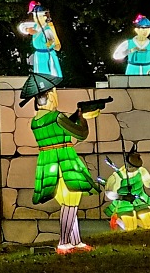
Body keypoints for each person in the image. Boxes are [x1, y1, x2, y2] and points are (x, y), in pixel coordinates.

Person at [24, 73, 99, 254]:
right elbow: (81, 134)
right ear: (49, 96)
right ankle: (64, 242)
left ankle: (76, 241)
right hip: (64, 162)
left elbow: (58, 128)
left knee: (68, 203)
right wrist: (82, 118)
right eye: (54, 93)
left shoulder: (35, 122)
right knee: (70, 203)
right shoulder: (57, 116)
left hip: (47, 164)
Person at [103, 151, 150, 231]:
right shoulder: (118, 176)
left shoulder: (141, 171)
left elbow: (149, 183)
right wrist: (121, 196)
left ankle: (137, 223)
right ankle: (117, 220)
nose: (134, 169)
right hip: (124, 204)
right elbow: (109, 193)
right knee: (129, 228)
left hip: (140, 200)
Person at [18, 0, 62, 79]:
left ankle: (52, 89)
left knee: (51, 73)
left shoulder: (48, 28)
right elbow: (22, 26)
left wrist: (50, 43)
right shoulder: (35, 26)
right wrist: (27, 30)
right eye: (34, 17)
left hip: (47, 54)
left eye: (37, 17)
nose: (35, 19)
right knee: (40, 76)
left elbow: (53, 41)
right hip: (38, 55)